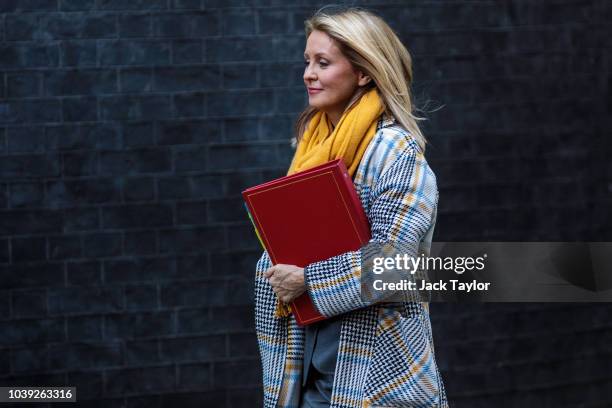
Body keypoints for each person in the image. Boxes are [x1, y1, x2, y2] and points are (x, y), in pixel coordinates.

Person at [254, 7, 448, 408]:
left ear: (363, 72)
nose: (308, 73)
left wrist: (308, 280)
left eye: (323, 63)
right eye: (307, 61)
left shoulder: (397, 154)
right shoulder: (314, 143)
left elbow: (393, 263)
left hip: (374, 377)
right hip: (304, 363)